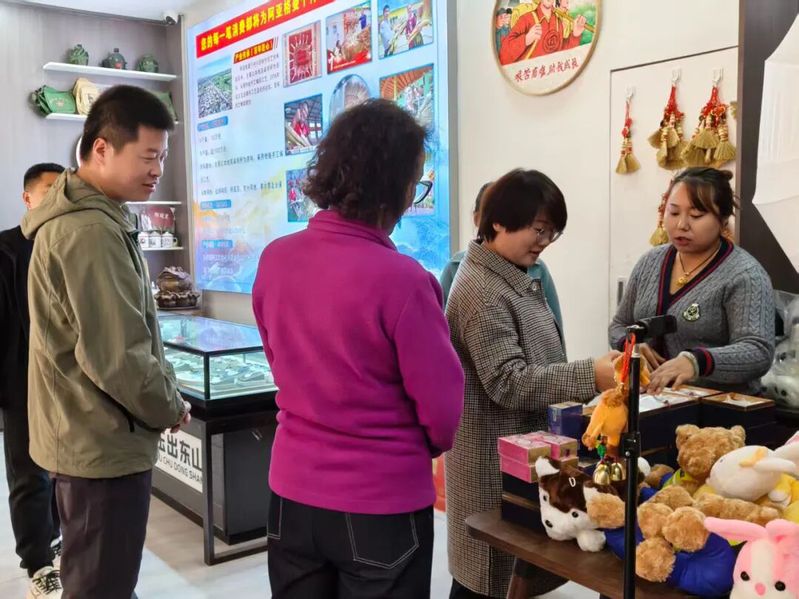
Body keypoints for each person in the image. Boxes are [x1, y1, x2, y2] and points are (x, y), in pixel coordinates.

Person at [252, 99, 464, 599]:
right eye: (415, 182)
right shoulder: (405, 281)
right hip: (381, 502)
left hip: (292, 493)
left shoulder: (276, 259)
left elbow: (281, 362)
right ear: (395, 186)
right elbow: (442, 412)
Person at [21, 85, 191, 599]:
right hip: (100, 440)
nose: (158, 169)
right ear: (101, 148)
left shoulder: (93, 219)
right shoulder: (90, 231)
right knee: (101, 585)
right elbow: (118, 357)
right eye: (148, 156)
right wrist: (169, 405)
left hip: (85, 434)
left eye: (163, 157)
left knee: (100, 577)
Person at [445, 169, 619, 599]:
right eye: (538, 229)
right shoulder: (483, 291)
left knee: (509, 573)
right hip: (492, 453)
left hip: (522, 445)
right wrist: (589, 374)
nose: (544, 241)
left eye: (551, 232)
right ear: (498, 221)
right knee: (486, 577)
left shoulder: (511, 272)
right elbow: (507, 381)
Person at [610, 167, 775, 395]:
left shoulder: (745, 274)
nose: (681, 225)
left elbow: (758, 351)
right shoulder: (650, 262)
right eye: (673, 212)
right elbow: (618, 325)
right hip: (651, 401)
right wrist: (630, 345)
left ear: (723, 220)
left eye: (696, 215)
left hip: (719, 408)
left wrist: (696, 362)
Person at [0, 162, 65, 598]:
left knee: (66, 470)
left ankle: (55, 542)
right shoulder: (6, 249)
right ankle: (38, 565)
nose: (58, 197)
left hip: (68, 382)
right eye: (49, 190)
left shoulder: (71, 242)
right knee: (29, 474)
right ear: (27, 198)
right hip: (21, 382)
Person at [440, 181, 564, 332]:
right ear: (477, 219)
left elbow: (555, 331)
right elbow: (442, 330)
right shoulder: (457, 268)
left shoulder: (537, 269)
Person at [498, 0, 586, 65]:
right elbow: (503, 56)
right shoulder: (526, 19)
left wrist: (575, 35)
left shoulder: (558, 22)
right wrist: (526, 39)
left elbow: (561, 52)